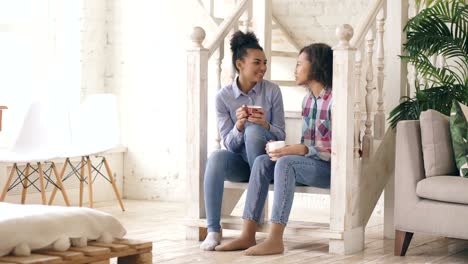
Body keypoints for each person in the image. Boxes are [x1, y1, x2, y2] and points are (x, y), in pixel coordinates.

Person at [215, 43, 333, 255]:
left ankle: (275, 239)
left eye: (298, 64)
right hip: (311, 164)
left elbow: (339, 150)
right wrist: (289, 149)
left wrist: (299, 151)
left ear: (315, 67)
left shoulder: (336, 101)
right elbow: (306, 146)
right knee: (261, 161)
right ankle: (248, 234)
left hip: (331, 169)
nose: (294, 70)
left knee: (287, 163)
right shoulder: (307, 101)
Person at [200, 31, 286, 251]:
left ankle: (248, 229)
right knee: (217, 157)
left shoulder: (272, 91)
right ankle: (213, 230)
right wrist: (238, 125)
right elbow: (229, 143)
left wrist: (264, 125)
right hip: (242, 163)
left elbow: (281, 136)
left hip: (266, 162)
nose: (263, 67)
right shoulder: (223, 97)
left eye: (264, 62)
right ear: (240, 64)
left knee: (253, 132)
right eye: (257, 62)